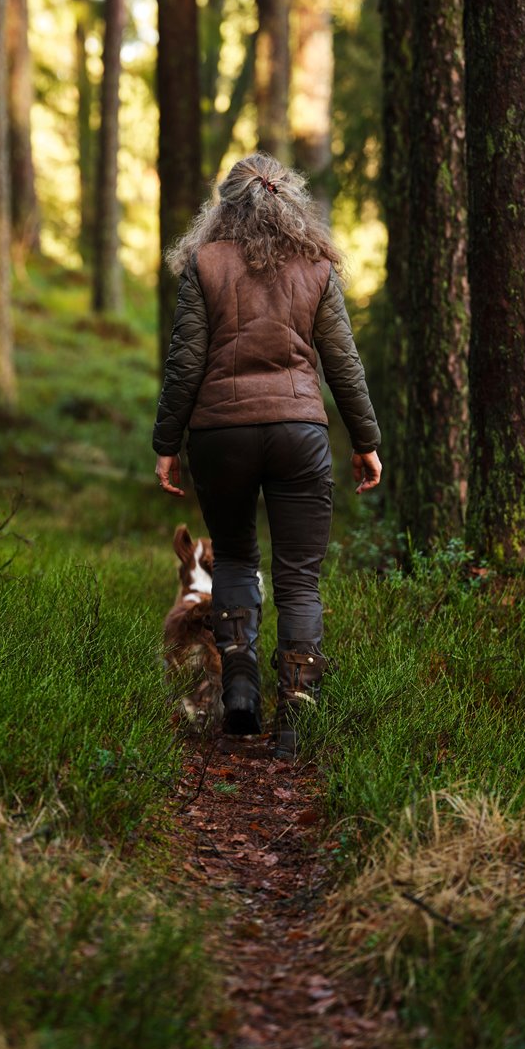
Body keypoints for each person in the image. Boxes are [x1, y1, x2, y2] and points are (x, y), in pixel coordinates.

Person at [151, 153, 382, 759]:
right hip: (298, 435)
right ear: (291, 204)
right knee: (300, 580)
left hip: (220, 435)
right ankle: (297, 716)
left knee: (232, 557)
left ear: (223, 205)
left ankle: (241, 693)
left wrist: (166, 444)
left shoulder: (205, 263)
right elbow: (343, 364)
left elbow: (184, 364)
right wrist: (365, 441)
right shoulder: (317, 266)